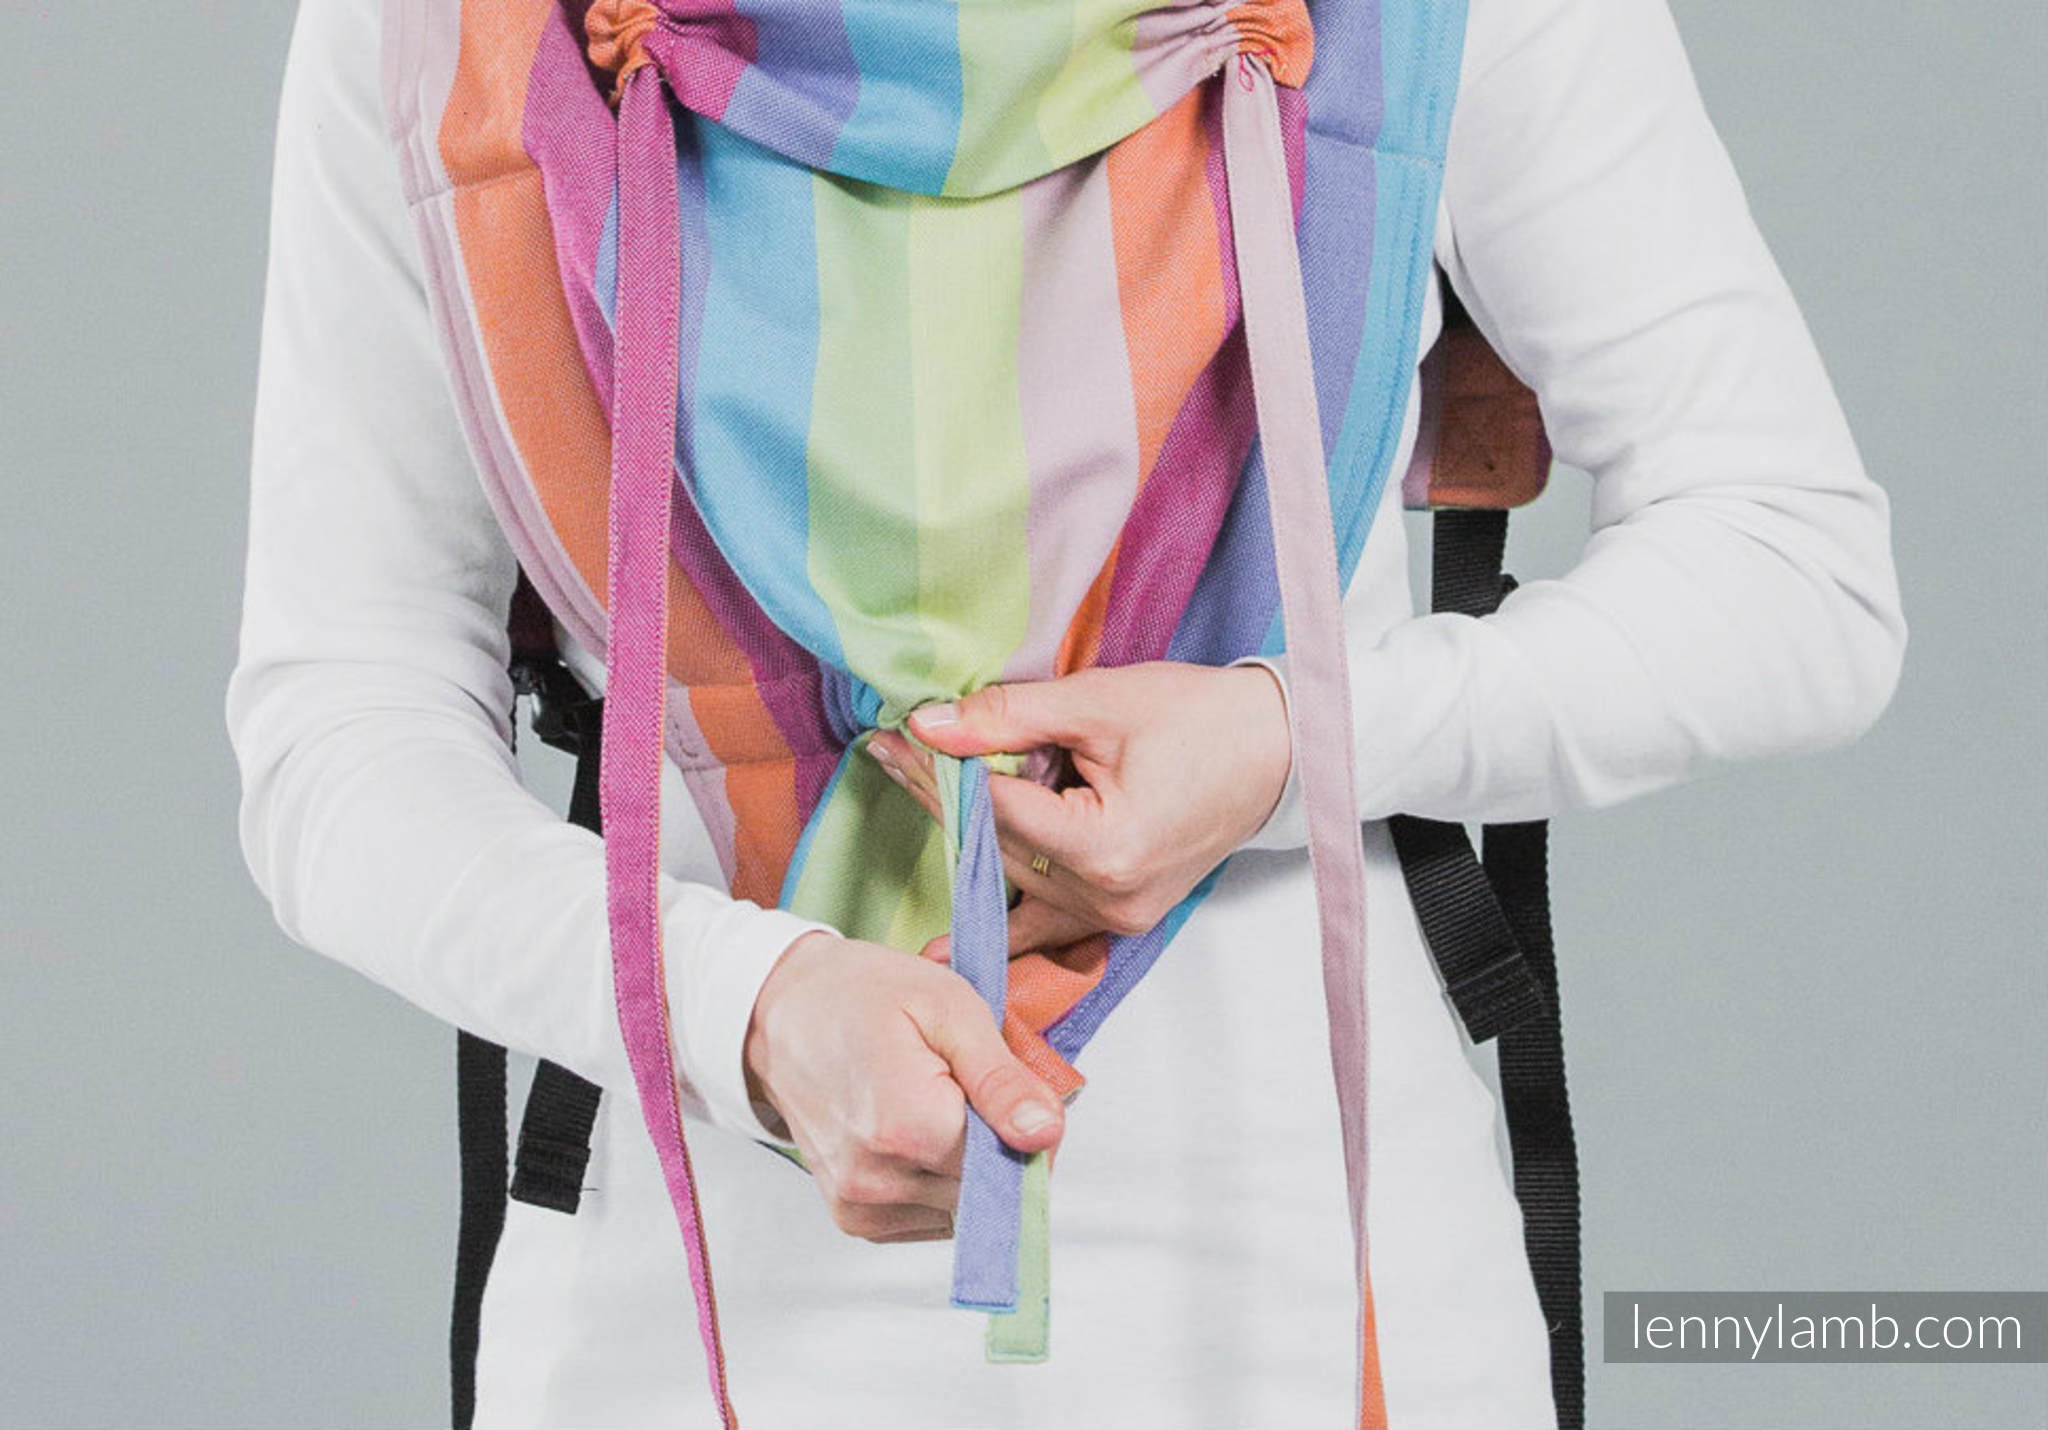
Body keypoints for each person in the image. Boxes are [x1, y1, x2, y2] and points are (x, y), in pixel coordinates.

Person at [226, 0, 1905, 1424]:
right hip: (681, 1322)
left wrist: (1283, 741)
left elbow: (1793, 566)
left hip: (1315, 1305)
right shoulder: (443, 29)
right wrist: (742, 1006)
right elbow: (340, 723)